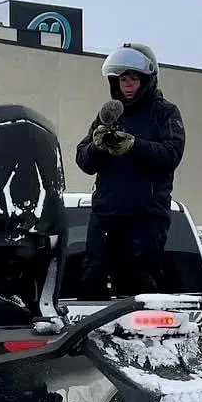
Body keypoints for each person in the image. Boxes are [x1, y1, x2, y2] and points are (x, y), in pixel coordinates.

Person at [74, 43, 186, 298]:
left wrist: (134, 145)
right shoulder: (110, 114)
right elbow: (83, 160)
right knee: (92, 278)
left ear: (147, 79)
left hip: (145, 218)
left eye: (133, 78)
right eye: (122, 79)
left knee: (139, 284)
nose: (127, 85)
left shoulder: (165, 112)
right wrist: (98, 145)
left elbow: (171, 154)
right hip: (105, 215)